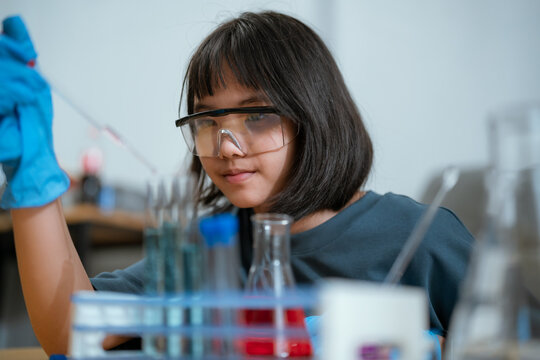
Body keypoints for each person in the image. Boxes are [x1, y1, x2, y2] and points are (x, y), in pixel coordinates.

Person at [0, 12, 473, 356]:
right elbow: (70, 330)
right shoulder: (210, 251)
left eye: (257, 115)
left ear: (315, 117)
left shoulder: (420, 238)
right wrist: (34, 182)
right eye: (208, 120)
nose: (226, 147)